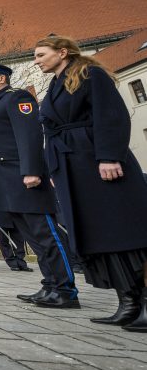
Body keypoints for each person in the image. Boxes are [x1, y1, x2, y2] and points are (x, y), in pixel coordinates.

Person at [35, 36, 147, 330]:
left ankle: (144, 301)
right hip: (73, 168)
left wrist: (109, 156)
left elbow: (111, 116)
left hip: (99, 162)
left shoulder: (89, 74)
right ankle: (128, 302)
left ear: (62, 52)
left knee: (125, 231)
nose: (37, 60)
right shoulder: (56, 85)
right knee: (102, 235)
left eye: (40, 54)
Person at [0, 61, 78, 308]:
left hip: (22, 174)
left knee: (45, 233)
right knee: (30, 235)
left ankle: (66, 289)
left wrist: (32, 171)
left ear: (2, 78)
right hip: (3, 177)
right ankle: (51, 284)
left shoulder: (18, 98)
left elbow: (30, 135)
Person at [0, 162, 31, 272]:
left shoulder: (6, 174)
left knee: (18, 238)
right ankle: (12, 262)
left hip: (14, 211)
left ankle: (21, 261)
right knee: (3, 239)